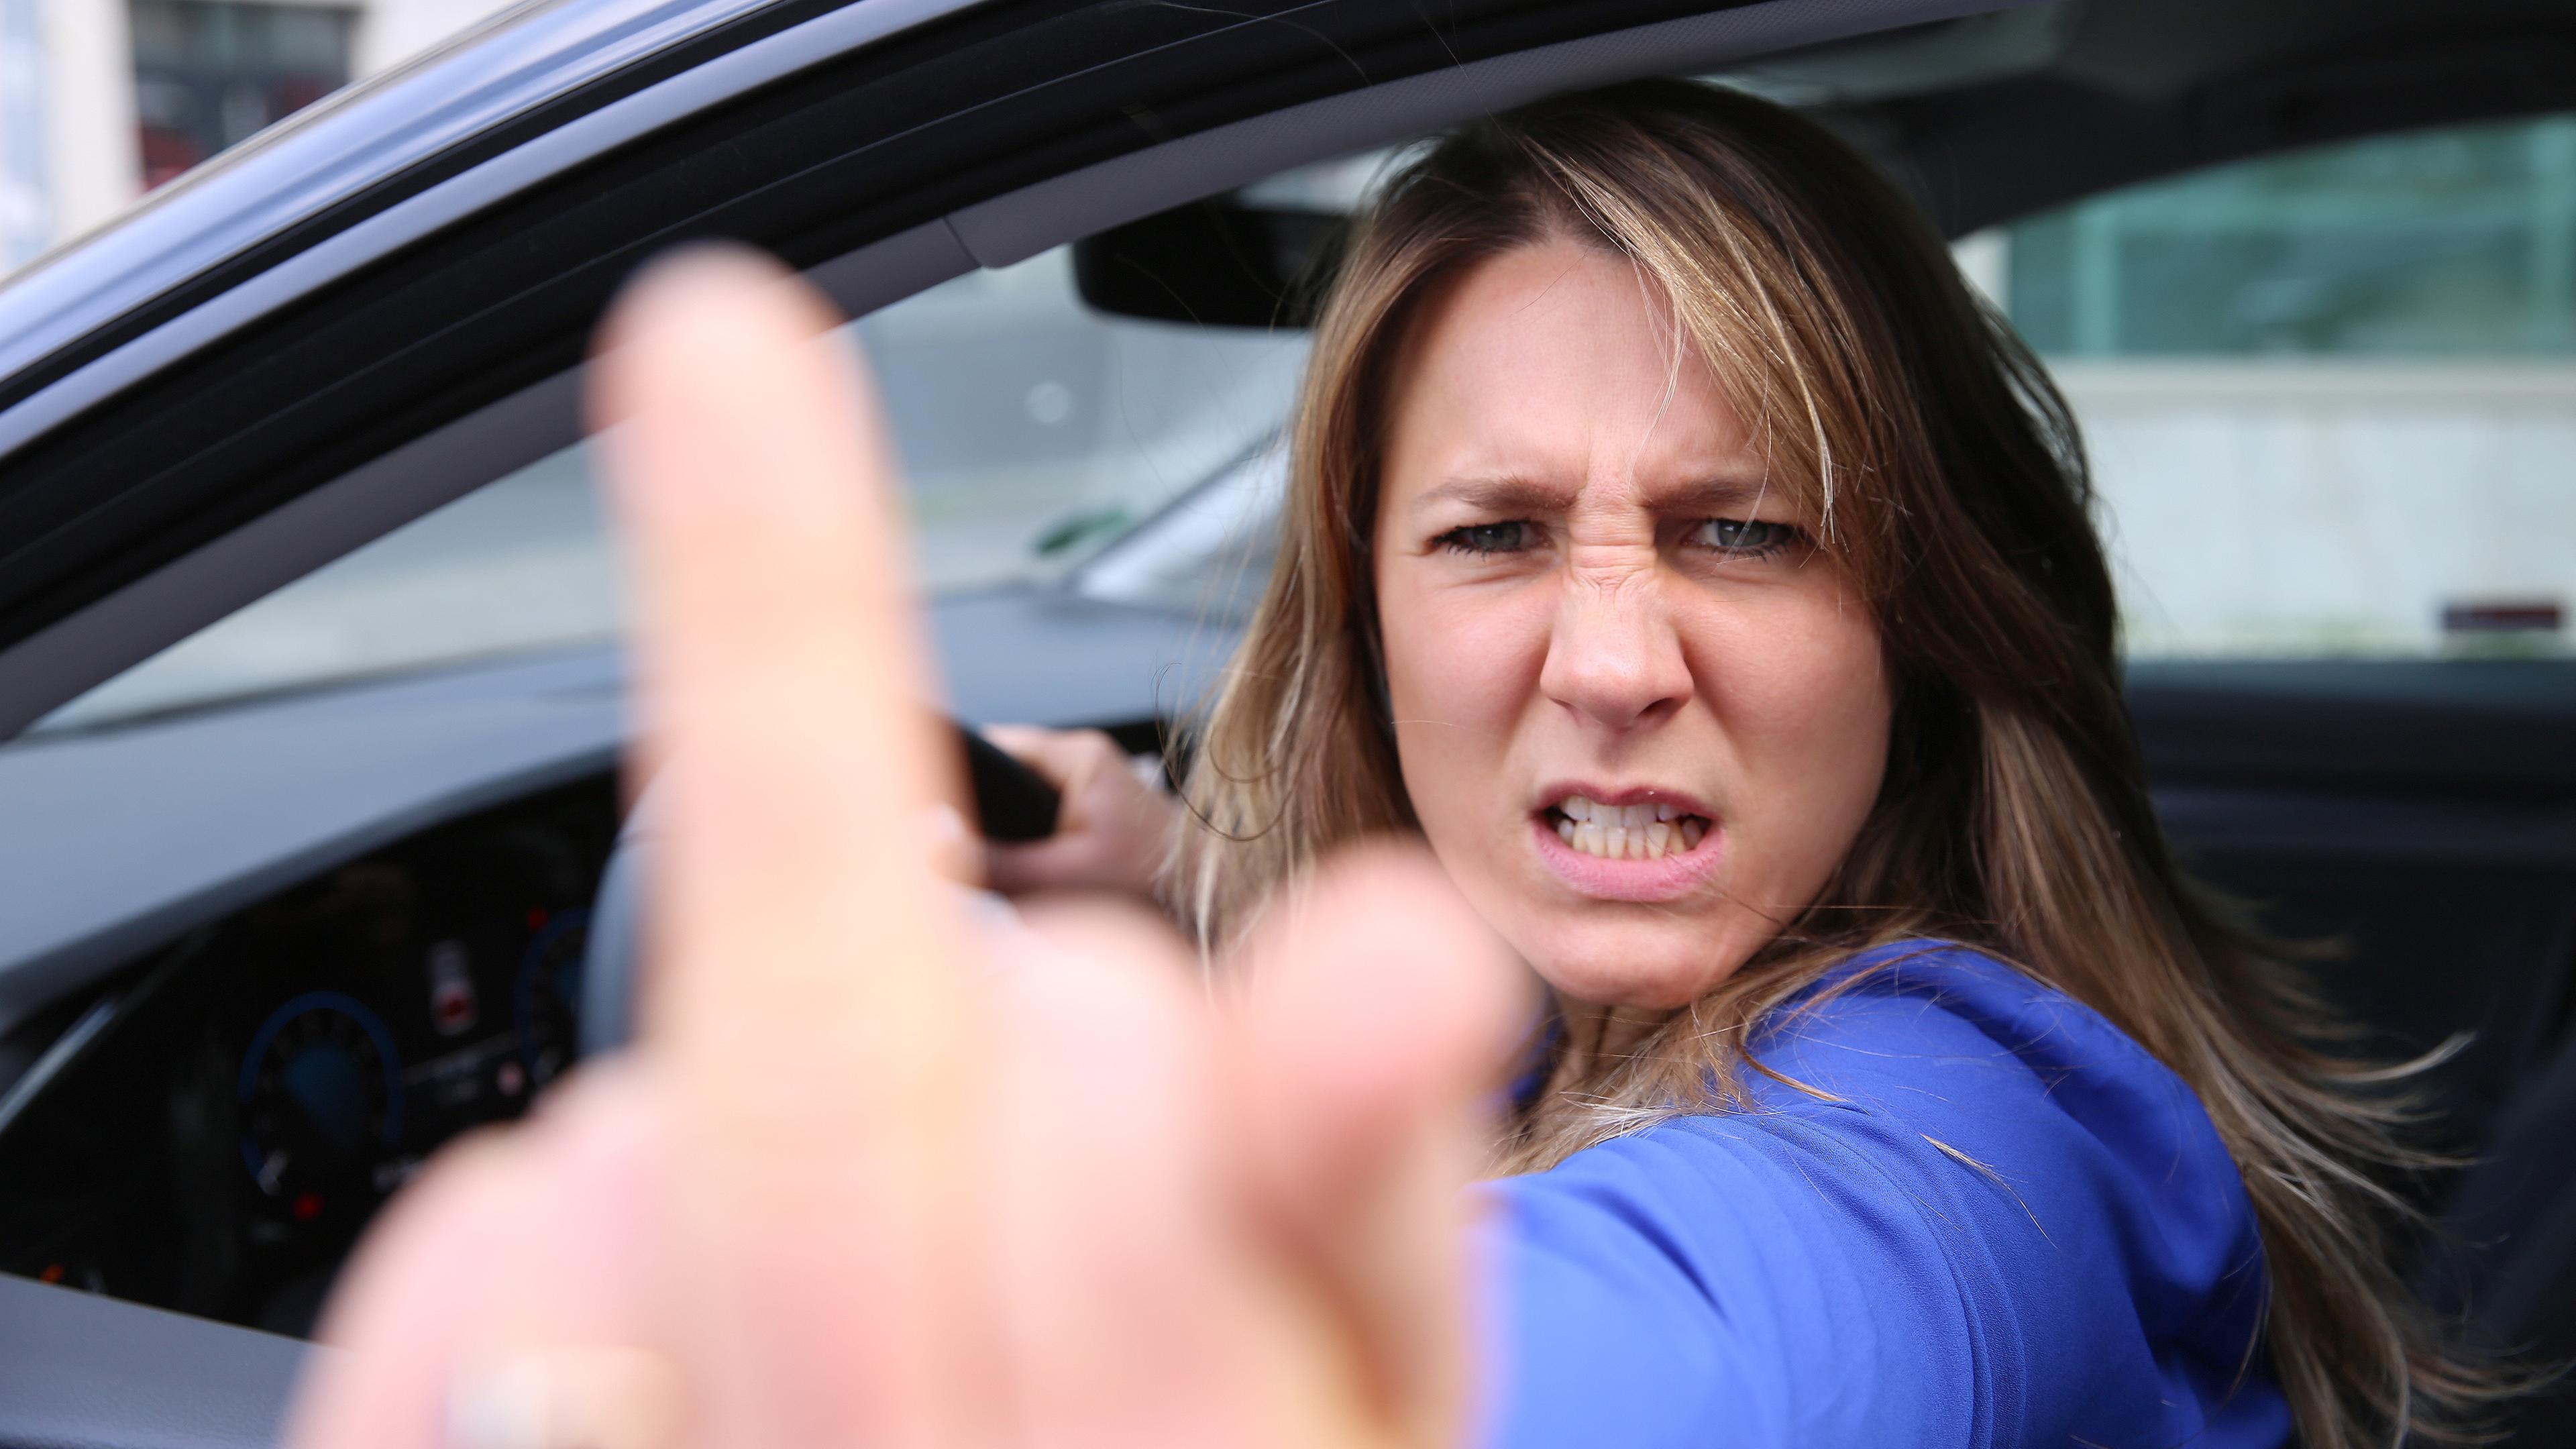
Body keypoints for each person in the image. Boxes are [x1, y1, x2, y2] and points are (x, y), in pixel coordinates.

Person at [287, 83, 2494, 1449]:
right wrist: (1173, 900)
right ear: (1363, 619)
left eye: (1747, 531)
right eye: (1496, 536)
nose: (1612, 658)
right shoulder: (1586, 1001)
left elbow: (1697, 1361)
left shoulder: (1960, 1150)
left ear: (1920, 617)